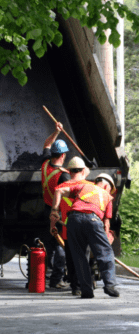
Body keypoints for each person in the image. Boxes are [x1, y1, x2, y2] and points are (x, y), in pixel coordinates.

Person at [50, 173, 119, 299]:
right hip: (93, 220)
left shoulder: (82, 187)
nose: (110, 192)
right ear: (105, 185)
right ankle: (110, 285)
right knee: (106, 254)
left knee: (80, 257)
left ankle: (86, 291)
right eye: (110, 189)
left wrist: (54, 210)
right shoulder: (107, 196)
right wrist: (105, 243)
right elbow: (106, 224)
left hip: (73, 220)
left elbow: (58, 191)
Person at [55, 157, 92, 296]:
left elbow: (55, 211)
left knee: (71, 259)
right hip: (85, 229)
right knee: (84, 257)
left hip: (68, 229)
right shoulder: (90, 186)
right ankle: (85, 285)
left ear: (69, 171)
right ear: (83, 171)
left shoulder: (59, 189)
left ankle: (75, 287)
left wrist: (53, 226)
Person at [41, 122, 70, 289]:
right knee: (60, 246)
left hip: (46, 209)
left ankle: (46, 277)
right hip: (57, 214)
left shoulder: (45, 164)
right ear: (64, 155)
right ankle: (56, 280)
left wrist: (56, 132)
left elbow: (47, 144)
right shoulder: (63, 177)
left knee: (49, 246)